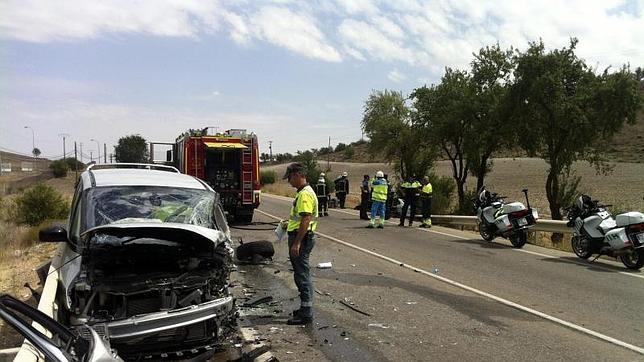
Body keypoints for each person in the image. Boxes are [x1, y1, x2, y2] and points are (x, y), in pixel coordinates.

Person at [282, 163, 318, 325]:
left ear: (297, 175)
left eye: (289, 178)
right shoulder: (305, 192)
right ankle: (305, 308)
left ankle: (306, 312)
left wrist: (296, 244)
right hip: (301, 236)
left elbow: (306, 219)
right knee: (301, 273)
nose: (289, 182)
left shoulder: (304, 194)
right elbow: (300, 219)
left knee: (302, 275)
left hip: (301, 238)